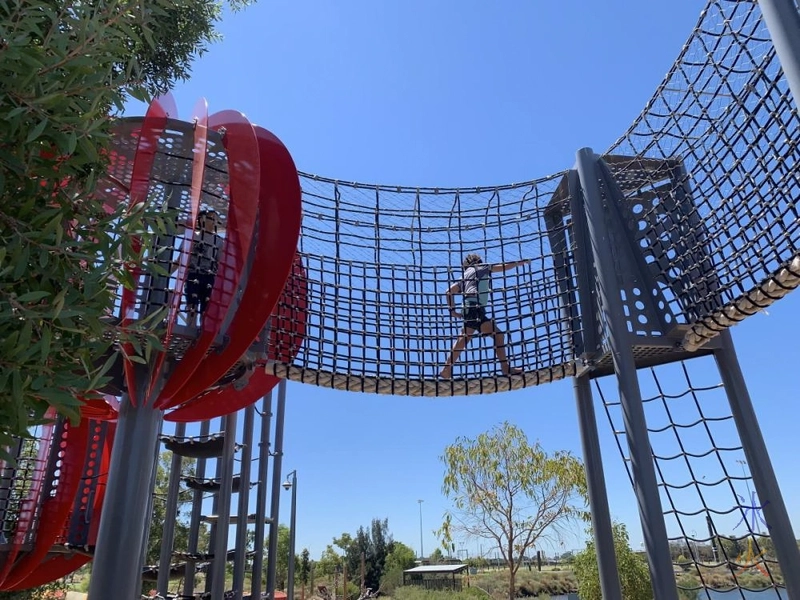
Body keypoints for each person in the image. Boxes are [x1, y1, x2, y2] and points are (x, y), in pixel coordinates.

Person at [439, 253, 530, 379]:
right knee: (497, 335)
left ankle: (446, 369)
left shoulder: (465, 277)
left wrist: (452, 311)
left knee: (465, 338)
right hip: (475, 308)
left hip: (468, 308)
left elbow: (449, 292)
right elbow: (502, 267)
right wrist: (517, 263)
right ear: (478, 261)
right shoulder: (480, 267)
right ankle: (505, 368)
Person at [185, 209, 224, 325]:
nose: (214, 223)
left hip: (209, 276)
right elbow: (183, 258)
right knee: (192, 304)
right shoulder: (192, 237)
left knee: (206, 307)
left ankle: (202, 331)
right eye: (212, 219)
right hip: (193, 273)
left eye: (216, 220)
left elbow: (220, 261)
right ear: (202, 219)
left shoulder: (218, 241)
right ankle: (190, 328)